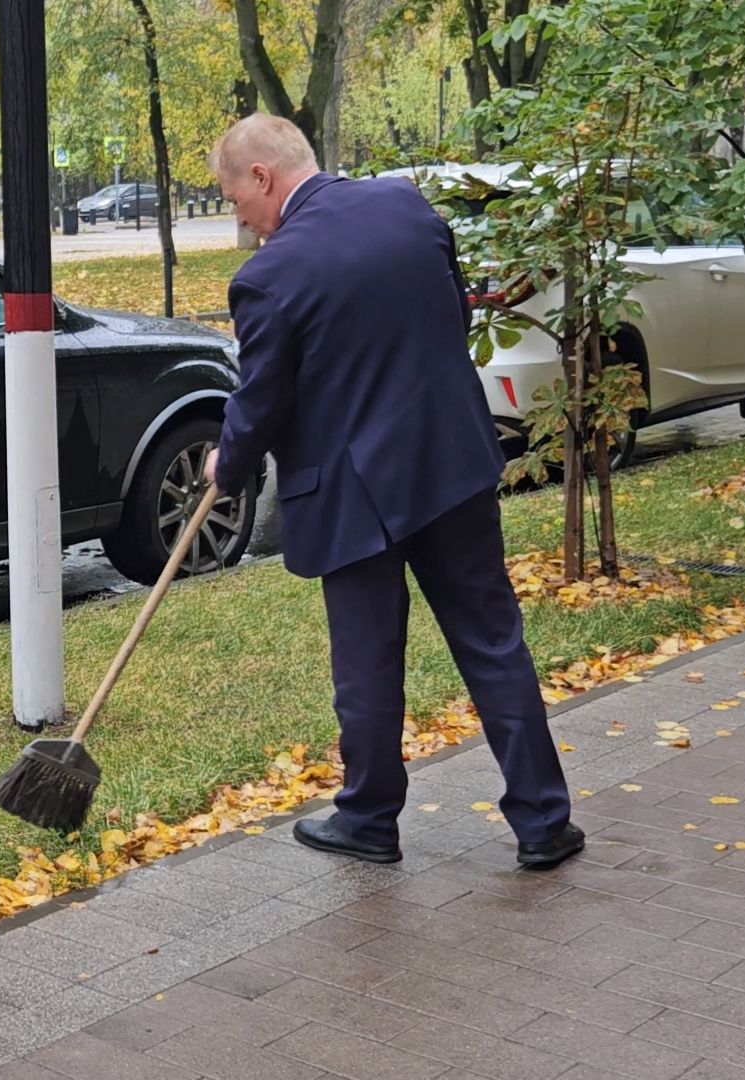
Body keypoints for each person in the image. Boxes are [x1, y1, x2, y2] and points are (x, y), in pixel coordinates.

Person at [204, 115, 583, 869]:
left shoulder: (268, 277)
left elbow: (261, 397)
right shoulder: (408, 207)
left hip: (355, 496)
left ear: (262, 177)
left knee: (369, 665)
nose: (237, 217)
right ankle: (544, 821)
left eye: (232, 197)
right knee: (493, 642)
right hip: (450, 466)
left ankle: (370, 819)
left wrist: (228, 463)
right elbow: (442, 320)